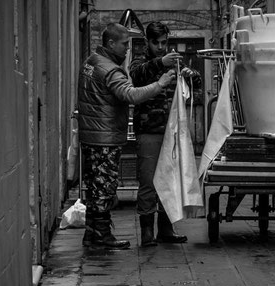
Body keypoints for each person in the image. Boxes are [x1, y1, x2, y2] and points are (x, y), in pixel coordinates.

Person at [78, 23, 175, 249]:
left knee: (94, 188)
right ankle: (101, 236)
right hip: (104, 137)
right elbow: (130, 94)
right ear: (111, 43)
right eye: (124, 44)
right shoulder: (109, 69)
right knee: (104, 187)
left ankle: (92, 235)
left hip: (93, 134)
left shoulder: (91, 62)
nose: (126, 49)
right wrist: (160, 83)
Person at [129, 21, 200, 247]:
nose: (161, 47)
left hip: (172, 131)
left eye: (164, 43)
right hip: (149, 130)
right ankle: (147, 232)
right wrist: (160, 62)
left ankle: (167, 230)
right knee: (149, 182)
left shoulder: (174, 61)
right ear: (147, 42)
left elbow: (194, 84)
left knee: (170, 181)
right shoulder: (140, 61)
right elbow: (137, 76)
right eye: (156, 43)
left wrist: (190, 74)